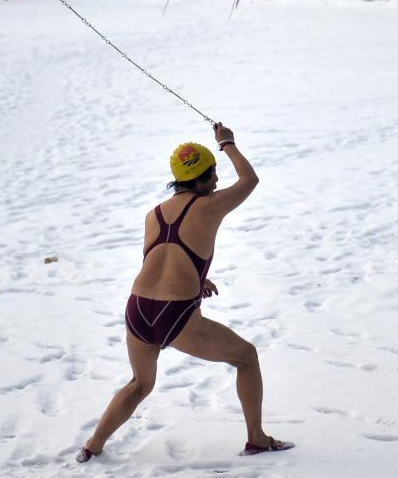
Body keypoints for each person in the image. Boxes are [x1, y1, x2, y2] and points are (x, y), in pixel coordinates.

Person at [75, 123, 295, 463]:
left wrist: (197, 278)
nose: (218, 181)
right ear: (201, 178)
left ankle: (92, 446)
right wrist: (227, 143)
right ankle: (257, 439)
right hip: (174, 314)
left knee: (139, 384)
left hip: (138, 308)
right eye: (213, 174)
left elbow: (161, 258)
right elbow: (249, 180)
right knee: (246, 358)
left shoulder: (154, 214)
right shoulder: (210, 206)